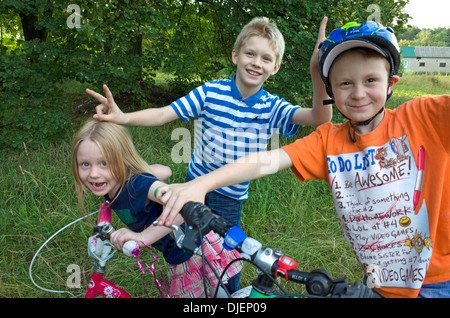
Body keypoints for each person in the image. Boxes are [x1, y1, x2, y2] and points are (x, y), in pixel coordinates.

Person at [158, 21, 450, 298]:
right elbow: (266, 160)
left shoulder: (425, 117)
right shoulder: (329, 141)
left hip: (441, 278)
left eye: (371, 80)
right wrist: (202, 184)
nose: (359, 93)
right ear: (332, 91)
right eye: (345, 83)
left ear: (391, 83)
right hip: (381, 280)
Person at [87, 16, 331, 292]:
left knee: (227, 265)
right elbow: (165, 113)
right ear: (235, 55)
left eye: (265, 58)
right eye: (250, 53)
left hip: (229, 202)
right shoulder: (210, 92)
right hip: (192, 190)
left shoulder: (272, 107)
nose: (256, 63)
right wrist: (124, 118)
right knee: (185, 257)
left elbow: (319, 118)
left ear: (274, 68)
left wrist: (319, 72)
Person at [71, 118, 242, 298]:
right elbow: (165, 171)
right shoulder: (117, 182)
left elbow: (182, 207)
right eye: (85, 164)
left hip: (192, 249)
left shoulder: (136, 186)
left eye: (104, 163)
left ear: (123, 160)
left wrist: (142, 237)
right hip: (180, 251)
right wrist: (140, 171)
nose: (94, 174)